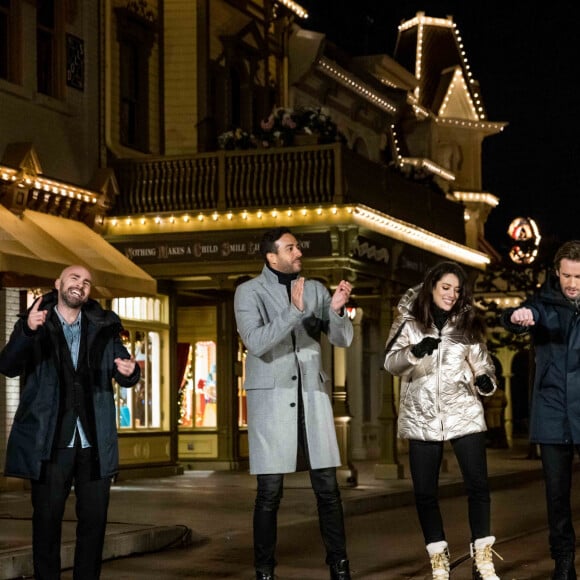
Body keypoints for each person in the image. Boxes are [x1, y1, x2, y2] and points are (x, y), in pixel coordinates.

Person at [0, 265, 140, 580]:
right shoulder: (36, 321)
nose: (81, 285)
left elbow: (123, 366)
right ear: (59, 283)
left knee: (94, 524)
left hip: (93, 443)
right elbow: (8, 365)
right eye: (74, 279)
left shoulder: (105, 325)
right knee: (46, 524)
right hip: (49, 442)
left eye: (87, 282)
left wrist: (130, 372)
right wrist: (27, 331)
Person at [234, 227, 354, 580]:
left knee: (328, 489)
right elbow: (256, 342)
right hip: (271, 401)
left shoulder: (316, 287)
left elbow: (342, 339)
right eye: (290, 248)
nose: (298, 252)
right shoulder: (248, 292)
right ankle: (264, 570)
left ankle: (340, 565)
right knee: (269, 492)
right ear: (272, 257)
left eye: (297, 246)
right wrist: (292, 311)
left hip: (312, 398)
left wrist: (336, 310)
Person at [383, 261, 501, 580]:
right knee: (424, 493)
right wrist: (415, 351)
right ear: (431, 286)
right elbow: (390, 363)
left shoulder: (467, 323)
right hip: (421, 416)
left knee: (478, 486)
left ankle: (483, 558)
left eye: (457, 290)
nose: (451, 295)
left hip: (462, 410)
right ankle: (439, 559)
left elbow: (482, 365)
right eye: (445, 288)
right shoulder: (407, 322)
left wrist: (485, 380)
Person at [500, 240, 580, 580]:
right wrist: (520, 316)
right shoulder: (544, 303)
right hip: (553, 410)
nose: (572, 283)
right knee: (556, 496)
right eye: (566, 275)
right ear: (556, 273)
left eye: (578, 276)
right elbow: (518, 316)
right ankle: (563, 562)